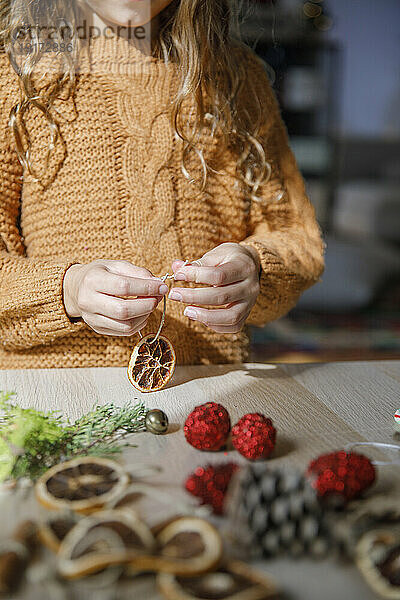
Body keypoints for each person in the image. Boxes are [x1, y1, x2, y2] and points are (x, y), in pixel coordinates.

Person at [0, 0, 325, 368]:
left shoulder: (237, 81)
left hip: (211, 391)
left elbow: (298, 239)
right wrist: (68, 290)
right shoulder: (15, 81)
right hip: (61, 403)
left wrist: (256, 268)